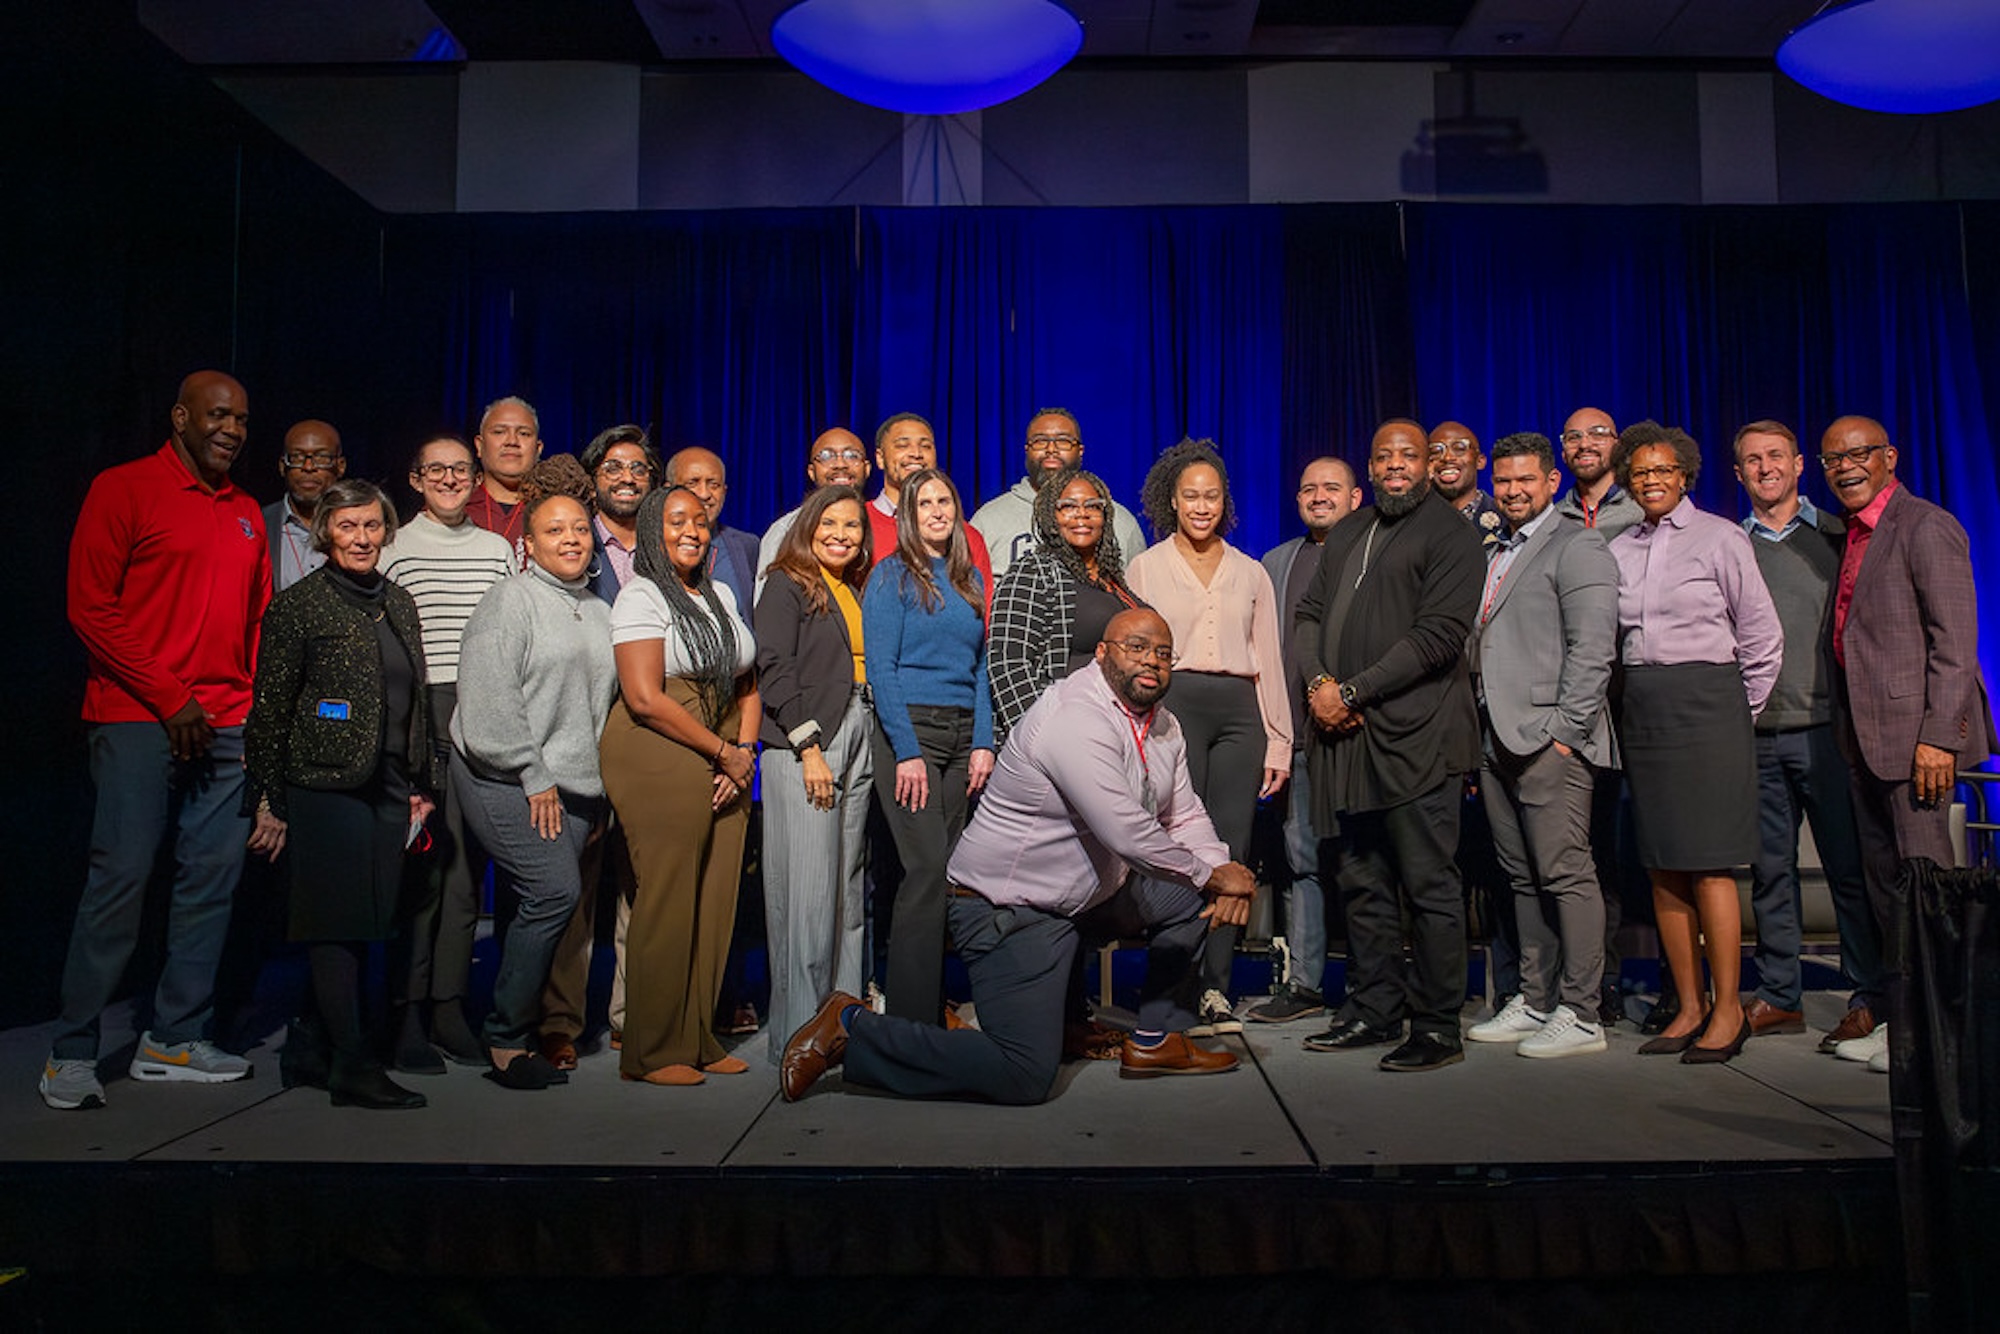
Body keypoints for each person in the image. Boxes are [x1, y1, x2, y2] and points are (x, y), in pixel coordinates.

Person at [778, 609, 1257, 1105]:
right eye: (1136, 647)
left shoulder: (1165, 726)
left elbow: (1184, 815)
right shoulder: (1075, 715)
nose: (1151, 662)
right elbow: (1126, 831)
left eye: (1162, 653)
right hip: (1006, 910)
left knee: (1188, 895)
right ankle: (853, 1028)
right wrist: (1215, 876)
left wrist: (1220, 870)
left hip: (1082, 896)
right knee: (1023, 1074)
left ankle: (1158, 1040)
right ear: (1102, 653)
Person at [43, 371, 269, 1111]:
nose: (230, 428)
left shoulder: (244, 513)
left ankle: (173, 1037)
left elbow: (257, 621)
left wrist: (248, 712)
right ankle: (71, 1049)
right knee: (123, 877)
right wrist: (172, 698)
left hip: (227, 721)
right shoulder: (124, 487)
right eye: (216, 415)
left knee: (210, 883)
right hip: (139, 715)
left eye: (239, 417)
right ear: (179, 417)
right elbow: (90, 607)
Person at [1294, 418, 1483, 1073]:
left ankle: (1435, 1026)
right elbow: (1308, 616)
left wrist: (1351, 693)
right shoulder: (1350, 529)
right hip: (1344, 743)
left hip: (1418, 736)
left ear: (1429, 463)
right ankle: (1375, 1010)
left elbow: (1437, 638)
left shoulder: (1454, 535)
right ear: (1369, 467)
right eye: (1383, 456)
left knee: (1429, 886)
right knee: (1362, 882)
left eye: (1409, 455)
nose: (1395, 466)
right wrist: (1320, 682)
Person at [244, 480, 437, 1109]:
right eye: (348, 527)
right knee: (333, 925)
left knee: (367, 924)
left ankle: (314, 1047)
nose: (361, 538)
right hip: (322, 785)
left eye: (372, 526)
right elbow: (269, 713)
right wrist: (270, 799)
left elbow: (417, 700)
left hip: (386, 786)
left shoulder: (398, 601)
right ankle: (353, 1067)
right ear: (327, 532)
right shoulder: (298, 606)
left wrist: (421, 782)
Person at [1821, 414, 1996, 1073]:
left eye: (1860, 454)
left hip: (1916, 742)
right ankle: (1903, 1022)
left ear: (1889, 456)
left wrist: (1937, 739)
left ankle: (1944, 1035)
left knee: (1927, 888)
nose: (1846, 466)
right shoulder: (1854, 534)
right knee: (1888, 891)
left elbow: (1955, 646)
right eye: (1834, 458)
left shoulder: (1926, 526)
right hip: (1865, 740)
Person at [1609, 421, 1783, 1065]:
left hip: (1711, 707)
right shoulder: (1620, 548)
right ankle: (1688, 1005)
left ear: (1684, 475)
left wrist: (1741, 714)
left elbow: (1763, 638)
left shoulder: (1721, 537)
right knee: (1662, 863)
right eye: (1640, 472)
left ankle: (1728, 1009)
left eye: (1663, 470)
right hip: (1645, 707)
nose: (1651, 480)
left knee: (1710, 862)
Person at [451, 465, 618, 1090]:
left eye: (580, 528)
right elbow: (490, 701)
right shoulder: (510, 600)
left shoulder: (598, 611)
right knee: (553, 893)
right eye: (555, 530)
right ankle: (503, 1037)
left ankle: (527, 1026)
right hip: (500, 772)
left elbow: (599, 713)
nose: (571, 539)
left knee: (545, 902)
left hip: (573, 787)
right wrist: (534, 774)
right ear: (530, 542)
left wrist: (600, 795)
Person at [1462, 433, 1619, 1059]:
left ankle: (1583, 1013)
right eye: (1503, 482)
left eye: (1525, 480)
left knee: (1566, 875)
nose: (1513, 491)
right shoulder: (1497, 549)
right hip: (1496, 738)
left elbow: (1594, 649)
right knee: (1521, 878)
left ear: (1551, 482)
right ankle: (1535, 999)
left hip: (1548, 740)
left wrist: (1564, 736)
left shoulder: (1577, 545)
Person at [1127, 440, 1290, 1035]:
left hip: (1240, 712)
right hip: (1174, 709)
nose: (1201, 506)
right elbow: (1134, 654)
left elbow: (1269, 659)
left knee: (1230, 847)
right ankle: (1175, 985)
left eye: (1212, 496)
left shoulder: (1251, 571)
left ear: (1226, 502)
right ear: (1173, 500)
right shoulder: (1145, 566)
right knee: (1179, 848)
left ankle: (1217, 988)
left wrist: (1279, 740)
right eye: (1191, 495)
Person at [600, 485, 761, 1085]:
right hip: (662, 744)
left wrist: (742, 751)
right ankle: (652, 1048)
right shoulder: (641, 595)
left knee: (716, 899)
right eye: (675, 521)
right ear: (650, 530)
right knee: (668, 898)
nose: (692, 530)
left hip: (724, 744)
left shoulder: (719, 593)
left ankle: (696, 1037)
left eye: (699, 520)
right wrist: (721, 750)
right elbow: (644, 698)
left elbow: (748, 680)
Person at [1731, 420, 1881, 1049]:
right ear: (1737, 474)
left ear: (1798, 466)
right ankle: (1779, 996)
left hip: (1828, 730)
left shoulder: (1838, 536)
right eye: (1751, 461)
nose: (1764, 468)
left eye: (1775, 457)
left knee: (1849, 871)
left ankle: (1870, 994)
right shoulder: (1728, 546)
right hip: (1756, 735)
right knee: (1771, 871)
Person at [379, 436, 518, 1068]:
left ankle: (447, 1007)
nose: (450, 478)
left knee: (464, 877)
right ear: (414, 479)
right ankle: (404, 1014)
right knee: (420, 876)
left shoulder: (496, 552)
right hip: (415, 718)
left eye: (460, 469)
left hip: (478, 712)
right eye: (436, 469)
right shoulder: (393, 549)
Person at [533, 424, 660, 1070]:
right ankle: (559, 1022)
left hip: (648, 741)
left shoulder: (668, 544)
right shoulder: (572, 540)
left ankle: (631, 1017)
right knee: (574, 888)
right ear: (594, 478)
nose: (627, 476)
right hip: (578, 738)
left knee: (642, 888)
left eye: (639, 466)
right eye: (613, 466)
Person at [863, 466, 995, 1025]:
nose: (938, 511)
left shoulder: (969, 580)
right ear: (909, 517)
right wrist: (909, 750)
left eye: (946, 501)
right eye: (926, 505)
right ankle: (910, 1019)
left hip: (963, 735)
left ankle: (930, 1003)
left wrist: (985, 742)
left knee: (945, 873)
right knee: (922, 870)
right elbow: (882, 672)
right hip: (909, 733)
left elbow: (984, 666)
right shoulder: (890, 577)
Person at [755, 485, 874, 1063]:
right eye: (830, 522)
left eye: (853, 525)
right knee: (806, 898)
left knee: (848, 892)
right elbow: (772, 666)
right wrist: (809, 747)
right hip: (809, 743)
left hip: (858, 731)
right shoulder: (785, 581)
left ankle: (843, 1023)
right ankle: (799, 1035)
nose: (841, 534)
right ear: (808, 524)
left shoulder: (852, 587)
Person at [1247, 457, 1362, 1025]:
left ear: (1356, 497)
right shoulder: (1276, 563)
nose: (1319, 496)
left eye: (1331, 488)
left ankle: (1372, 987)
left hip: (1361, 735)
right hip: (1296, 734)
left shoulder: (1374, 552)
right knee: (1301, 861)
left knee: (1366, 860)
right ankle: (1306, 983)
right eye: (1308, 488)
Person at [987, 466, 1145, 747]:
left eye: (1092, 506)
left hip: (1116, 736)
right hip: (1059, 737)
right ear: (1051, 516)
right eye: (1068, 506)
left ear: (1105, 517)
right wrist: (1044, 741)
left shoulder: (1114, 583)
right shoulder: (1033, 572)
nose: (1081, 514)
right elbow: (1007, 664)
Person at [970, 408, 1147, 581]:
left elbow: (1136, 595)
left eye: (1063, 441)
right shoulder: (988, 520)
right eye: (1040, 441)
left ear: (1080, 451)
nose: (1051, 449)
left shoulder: (1118, 520)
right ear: (1027, 450)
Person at [865, 413, 994, 599]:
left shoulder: (965, 535)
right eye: (902, 445)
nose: (916, 454)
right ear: (879, 457)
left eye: (925, 446)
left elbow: (984, 608)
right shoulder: (857, 525)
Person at [756, 426, 872, 601]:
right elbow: (767, 603)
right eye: (826, 456)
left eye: (851, 455)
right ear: (811, 472)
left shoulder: (875, 521)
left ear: (867, 468)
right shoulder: (786, 529)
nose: (840, 464)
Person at [666, 445, 760, 613]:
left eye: (713, 484)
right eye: (692, 483)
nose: (704, 494)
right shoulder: (655, 543)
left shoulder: (747, 546)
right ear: (668, 489)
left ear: (724, 491)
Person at [266, 420, 345, 592]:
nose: (308, 467)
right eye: (297, 457)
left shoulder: (359, 527)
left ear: (340, 466)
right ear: (282, 466)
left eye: (321, 458)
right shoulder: (260, 524)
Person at [462, 395, 543, 561]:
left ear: (538, 449)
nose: (512, 441)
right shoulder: (456, 506)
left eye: (524, 433)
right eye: (499, 432)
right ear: (479, 445)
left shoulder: (551, 509)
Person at [1555, 407, 1642, 537]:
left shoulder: (1642, 509)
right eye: (1573, 437)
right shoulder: (1553, 520)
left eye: (1597, 434)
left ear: (1617, 447)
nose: (1584, 445)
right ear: (1563, 455)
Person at [1428, 421, 1503, 544]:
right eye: (1436, 451)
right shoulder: (1411, 521)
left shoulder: (1506, 520)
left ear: (1480, 461)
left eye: (1459, 448)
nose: (1447, 458)